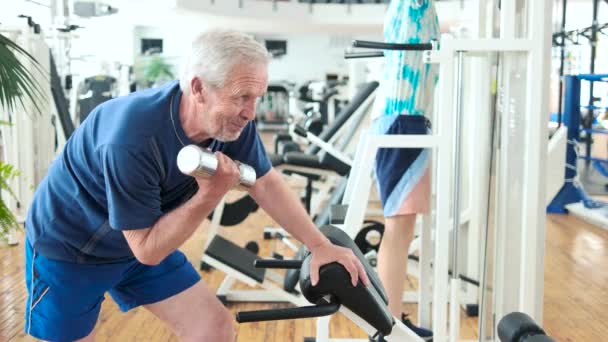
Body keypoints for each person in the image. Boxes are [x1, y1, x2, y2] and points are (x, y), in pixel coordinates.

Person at [23, 29, 370, 342]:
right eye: (241, 97)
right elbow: (148, 249)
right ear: (198, 88)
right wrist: (211, 193)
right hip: (72, 249)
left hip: (141, 239)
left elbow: (266, 183)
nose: (251, 112)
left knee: (213, 329)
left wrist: (319, 245)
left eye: (257, 97)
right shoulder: (131, 137)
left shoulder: (231, 123)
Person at [370, 0, 439, 341]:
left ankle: (392, 321)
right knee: (398, 230)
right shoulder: (413, 3)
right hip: (403, 119)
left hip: (408, 118)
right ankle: (389, 327)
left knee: (403, 229)